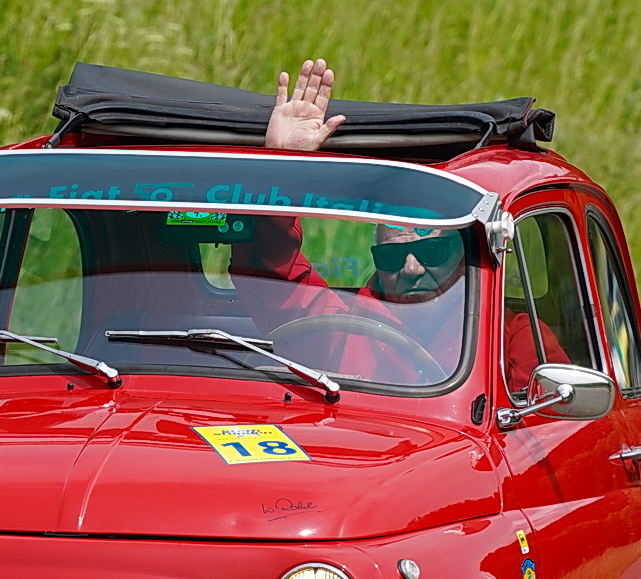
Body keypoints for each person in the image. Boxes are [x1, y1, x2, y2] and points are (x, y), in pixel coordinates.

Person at [241, 58, 567, 392]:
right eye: (392, 257)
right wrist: (279, 164)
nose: (411, 268)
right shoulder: (343, 327)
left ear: (462, 254)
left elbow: (550, 413)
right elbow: (270, 271)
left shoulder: (511, 334)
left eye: (432, 251)